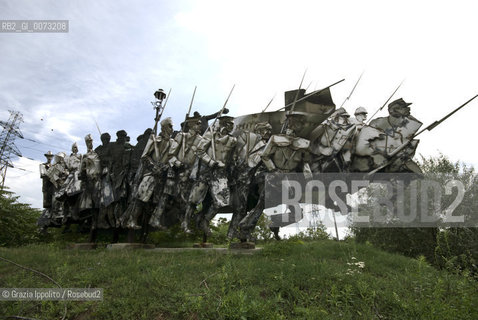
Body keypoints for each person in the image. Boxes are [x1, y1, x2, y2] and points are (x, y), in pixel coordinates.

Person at [239, 113, 312, 241]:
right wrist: (273, 170)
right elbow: (265, 156)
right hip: (273, 178)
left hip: (289, 180)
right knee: (261, 206)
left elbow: (304, 162)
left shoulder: (304, 143)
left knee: (297, 214)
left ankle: (275, 223)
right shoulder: (275, 139)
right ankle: (244, 229)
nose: (298, 126)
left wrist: (309, 177)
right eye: (295, 123)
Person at [186, 115, 237, 237]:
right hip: (206, 171)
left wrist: (231, 171)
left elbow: (231, 158)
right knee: (194, 200)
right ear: (223, 123)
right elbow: (199, 151)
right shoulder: (210, 135)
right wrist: (210, 161)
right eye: (229, 123)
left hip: (221, 173)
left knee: (222, 202)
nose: (231, 126)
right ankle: (185, 223)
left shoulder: (232, 140)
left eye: (232, 124)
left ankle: (205, 220)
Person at [228, 122, 272, 239]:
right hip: (241, 177)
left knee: (245, 207)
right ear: (259, 130)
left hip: (252, 180)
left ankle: (238, 233)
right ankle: (232, 233)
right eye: (266, 130)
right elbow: (235, 155)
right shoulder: (248, 138)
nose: (268, 133)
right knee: (240, 208)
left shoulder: (267, 145)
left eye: (269, 131)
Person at [164, 116, 204, 231]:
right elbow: (170, 155)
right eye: (198, 123)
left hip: (191, 173)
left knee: (188, 199)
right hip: (177, 171)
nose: (200, 126)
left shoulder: (202, 140)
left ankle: (185, 222)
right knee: (171, 197)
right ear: (191, 125)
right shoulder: (181, 136)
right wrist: (177, 164)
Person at [78, 134, 101, 242]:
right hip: (89, 181)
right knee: (88, 203)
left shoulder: (98, 154)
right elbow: (81, 171)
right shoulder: (85, 156)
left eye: (91, 141)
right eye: (88, 142)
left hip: (99, 180)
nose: (90, 143)